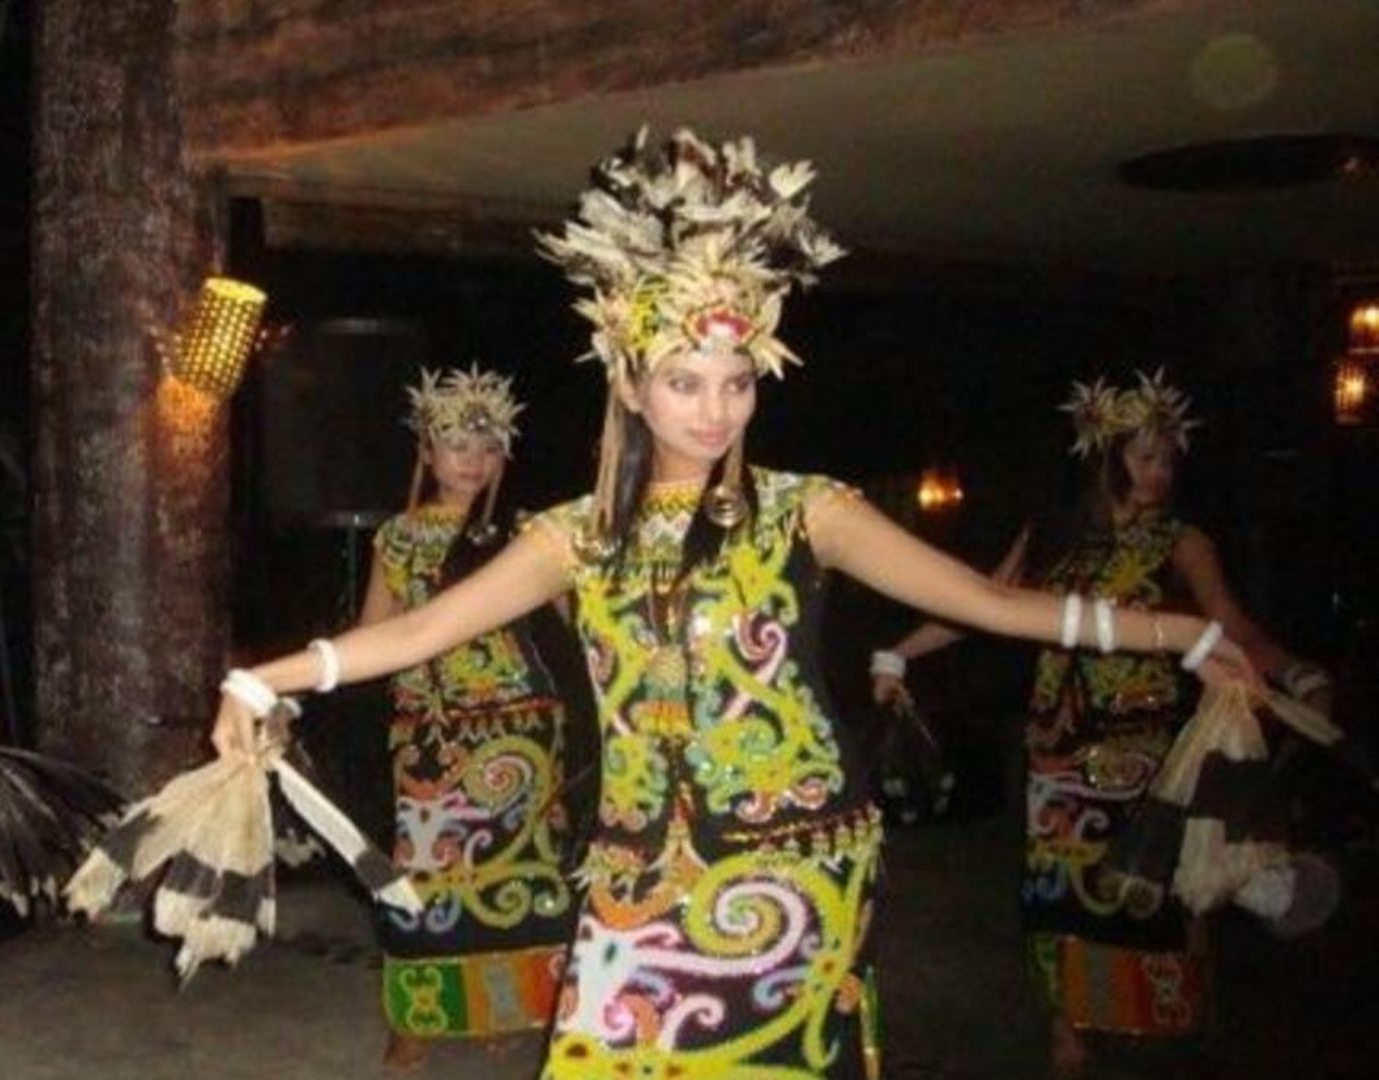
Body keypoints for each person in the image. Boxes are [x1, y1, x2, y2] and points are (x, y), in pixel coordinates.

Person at [207, 128, 1257, 1079]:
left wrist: (1182, 630)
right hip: (634, 868)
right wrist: (265, 677)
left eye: (736, 380)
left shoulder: (812, 512)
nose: (715, 410)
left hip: (796, 867)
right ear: (628, 381)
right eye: (684, 380)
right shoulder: (573, 535)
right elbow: (419, 631)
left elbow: (994, 604)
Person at [868, 370, 1331, 1074]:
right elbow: (981, 602)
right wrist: (898, 654)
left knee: (1157, 892)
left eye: (1169, 458)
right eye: (1145, 457)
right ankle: (1068, 1034)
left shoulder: (1182, 541)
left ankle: (1180, 1026)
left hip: (1146, 751)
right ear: (1107, 457)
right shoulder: (1054, 535)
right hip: (1057, 751)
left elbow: (1227, 620)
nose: (1160, 472)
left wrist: (1296, 671)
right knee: (1054, 901)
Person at [362, 366, 581, 1066]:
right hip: (431, 735)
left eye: (487, 446)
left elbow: (567, 628)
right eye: (455, 444)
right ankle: (418, 1016)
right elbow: (374, 627)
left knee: (523, 884)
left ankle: (504, 1006)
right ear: (426, 451)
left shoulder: (526, 532)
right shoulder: (397, 537)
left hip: (522, 727)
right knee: (424, 880)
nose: (472, 459)